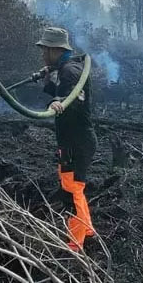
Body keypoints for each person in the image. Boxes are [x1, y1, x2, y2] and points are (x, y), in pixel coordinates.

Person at [37, 27, 97, 251]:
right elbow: (64, 94)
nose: (43, 55)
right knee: (73, 186)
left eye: (45, 50)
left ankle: (74, 246)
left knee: (71, 191)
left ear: (55, 50)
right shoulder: (65, 69)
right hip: (72, 141)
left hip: (76, 142)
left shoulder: (70, 71)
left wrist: (57, 102)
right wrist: (49, 85)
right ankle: (87, 231)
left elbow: (73, 101)